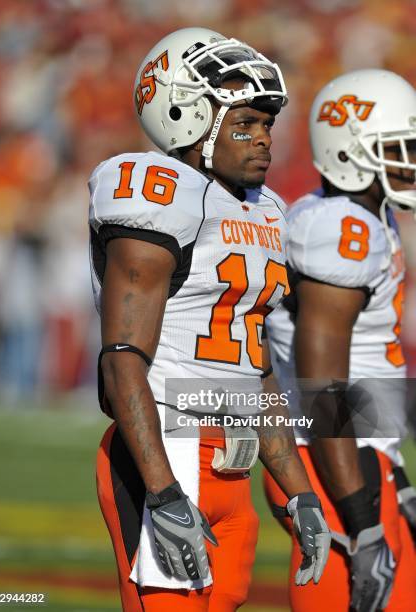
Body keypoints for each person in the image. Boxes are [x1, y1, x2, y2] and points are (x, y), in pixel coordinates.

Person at [88, 27, 331, 612]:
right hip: (169, 452)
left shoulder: (265, 209)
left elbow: (256, 370)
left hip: (234, 468)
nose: (263, 139)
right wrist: (164, 491)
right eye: (244, 123)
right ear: (186, 118)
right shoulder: (158, 190)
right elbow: (122, 360)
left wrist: (300, 492)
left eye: (267, 124)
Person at [263, 68, 416, 611]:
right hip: (327, 465)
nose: (409, 162)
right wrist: (362, 520)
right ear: (350, 153)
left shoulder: (367, 220)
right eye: (397, 149)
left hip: (355, 458)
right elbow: (321, 389)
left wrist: (393, 475)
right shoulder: (341, 229)